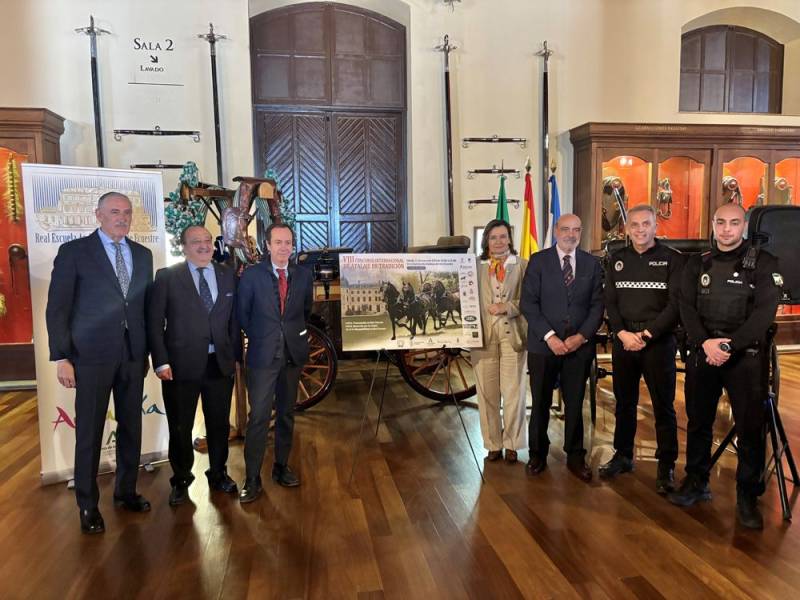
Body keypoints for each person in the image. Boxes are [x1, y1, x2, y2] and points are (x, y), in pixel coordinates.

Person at [668, 203, 781, 529]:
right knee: (698, 421)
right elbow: (686, 307)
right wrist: (705, 342)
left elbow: (764, 313)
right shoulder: (697, 262)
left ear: (744, 226)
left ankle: (747, 496)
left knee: (749, 428)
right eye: (720, 222)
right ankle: (696, 482)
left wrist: (730, 345)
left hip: (745, 356)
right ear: (713, 224)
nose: (726, 229)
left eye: (733, 223)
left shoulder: (764, 263)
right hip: (704, 351)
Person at [46, 192, 153, 534]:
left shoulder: (143, 255)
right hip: (90, 358)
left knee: (131, 427)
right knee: (90, 432)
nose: (122, 217)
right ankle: (88, 504)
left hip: (133, 355)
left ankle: (126, 491)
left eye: (127, 212)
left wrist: (149, 352)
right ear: (99, 215)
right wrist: (62, 357)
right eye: (114, 211)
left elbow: (144, 308)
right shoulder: (75, 252)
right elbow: (58, 308)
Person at [147, 225, 241, 506]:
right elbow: (154, 323)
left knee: (219, 424)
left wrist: (234, 356)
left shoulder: (227, 274)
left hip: (219, 364)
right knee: (181, 426)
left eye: (207, 240)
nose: (203, 246)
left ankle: (218, 473)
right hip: (179, 366)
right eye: (196, 241)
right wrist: (160, 361)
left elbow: (233, 320)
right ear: (184, 247)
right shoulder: (167, 277)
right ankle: (181, 479)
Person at [600, 205, 683, 494]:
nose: (640, 230)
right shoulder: (617, 259)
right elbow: (610, 301)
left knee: (663, 406)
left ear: (655, 226)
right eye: (634, 224)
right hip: (624, 341)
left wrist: (647, 335)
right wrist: (621, 333)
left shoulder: (672, 259)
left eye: (646, 224)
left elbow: (675, 305)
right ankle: (623, 455)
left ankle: (666, 465)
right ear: (626, 228)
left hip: (658, 342)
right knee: (624, 402)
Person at [521, 214, 604, 482]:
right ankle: (537, 453)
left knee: (575, 402)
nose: (571, 234)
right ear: (556, 231)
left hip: (578, 347)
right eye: (566, 229)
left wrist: (581, 337)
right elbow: (528, 304)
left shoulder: (592, 264)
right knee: (540, 401)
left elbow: (597, 306)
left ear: (581, 232)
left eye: (576, 230)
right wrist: (550, 337)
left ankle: (576, 455)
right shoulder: (538, 261)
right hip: (544, 345)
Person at [237, 223, 314, 503]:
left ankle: (281, 467)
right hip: (262, 357)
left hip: (292, 355)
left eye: (288, 242)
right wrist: (264, 336)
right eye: (278, 242)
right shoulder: (251, 276)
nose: (284, 247)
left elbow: (305, 310)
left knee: (286, 414)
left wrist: (288, 334)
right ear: (267, 245)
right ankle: (252, 478)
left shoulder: (303, 275)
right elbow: (242, 315)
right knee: (258, 417)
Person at [472, 219, 528, 464]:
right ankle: (493, 444)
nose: (498, 241)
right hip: (483, 336)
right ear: (486, 240)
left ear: (510, 239)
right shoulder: (475, 266)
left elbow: (531, 299)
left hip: (513, 335)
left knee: (514, 393)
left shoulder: (522, 265)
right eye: (493, 237)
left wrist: (508, 306)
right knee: (487, 394)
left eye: (503, 236)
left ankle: (513, 444)